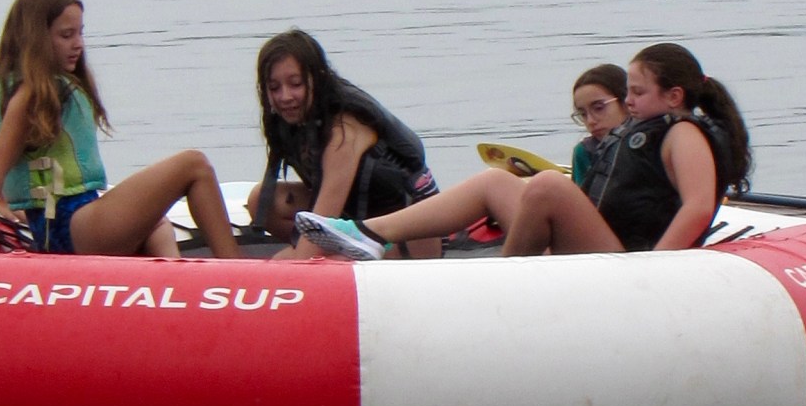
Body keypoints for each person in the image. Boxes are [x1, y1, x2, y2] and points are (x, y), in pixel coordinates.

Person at [297, 43, 751, 259]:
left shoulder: (682, 133)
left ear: (674, 97)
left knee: (549, 187)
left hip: (628, 260)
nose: (630, 102)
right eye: (628, 92)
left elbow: (695, 209)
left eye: (638, 93)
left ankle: (505, 281)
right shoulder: (651, 129)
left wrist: (655, 270)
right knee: (499, 181)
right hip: (598, 242)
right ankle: (367, 233)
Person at [0, 0, 240, 260]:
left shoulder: (44, 89)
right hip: (69, 227)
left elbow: (16, 169)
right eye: (66, 35)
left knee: (158, 225)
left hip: (71, 224)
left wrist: (6, 200)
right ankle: (236, 274)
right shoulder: (30, 96)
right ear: (37, 39)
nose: (79, 44)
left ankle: (173, 288)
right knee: (194, 165)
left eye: (80, 33)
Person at [249, 30, 440, 258]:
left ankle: (343, 255)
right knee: (263, 200)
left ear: (317, 80)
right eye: (274, 88)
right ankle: (332, 251)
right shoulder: (293, 118)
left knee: (284, 266)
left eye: (296, 84)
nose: (285, 96)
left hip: (410, 229)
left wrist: (289, 270)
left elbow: (322, 222)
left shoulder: (342, 133)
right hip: (357, 214)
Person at [568, 64, 630, 189]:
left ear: (625, 102)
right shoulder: (584, 152)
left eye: (599, 108)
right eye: (583, 114)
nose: (590, 121)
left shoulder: (649, 143)